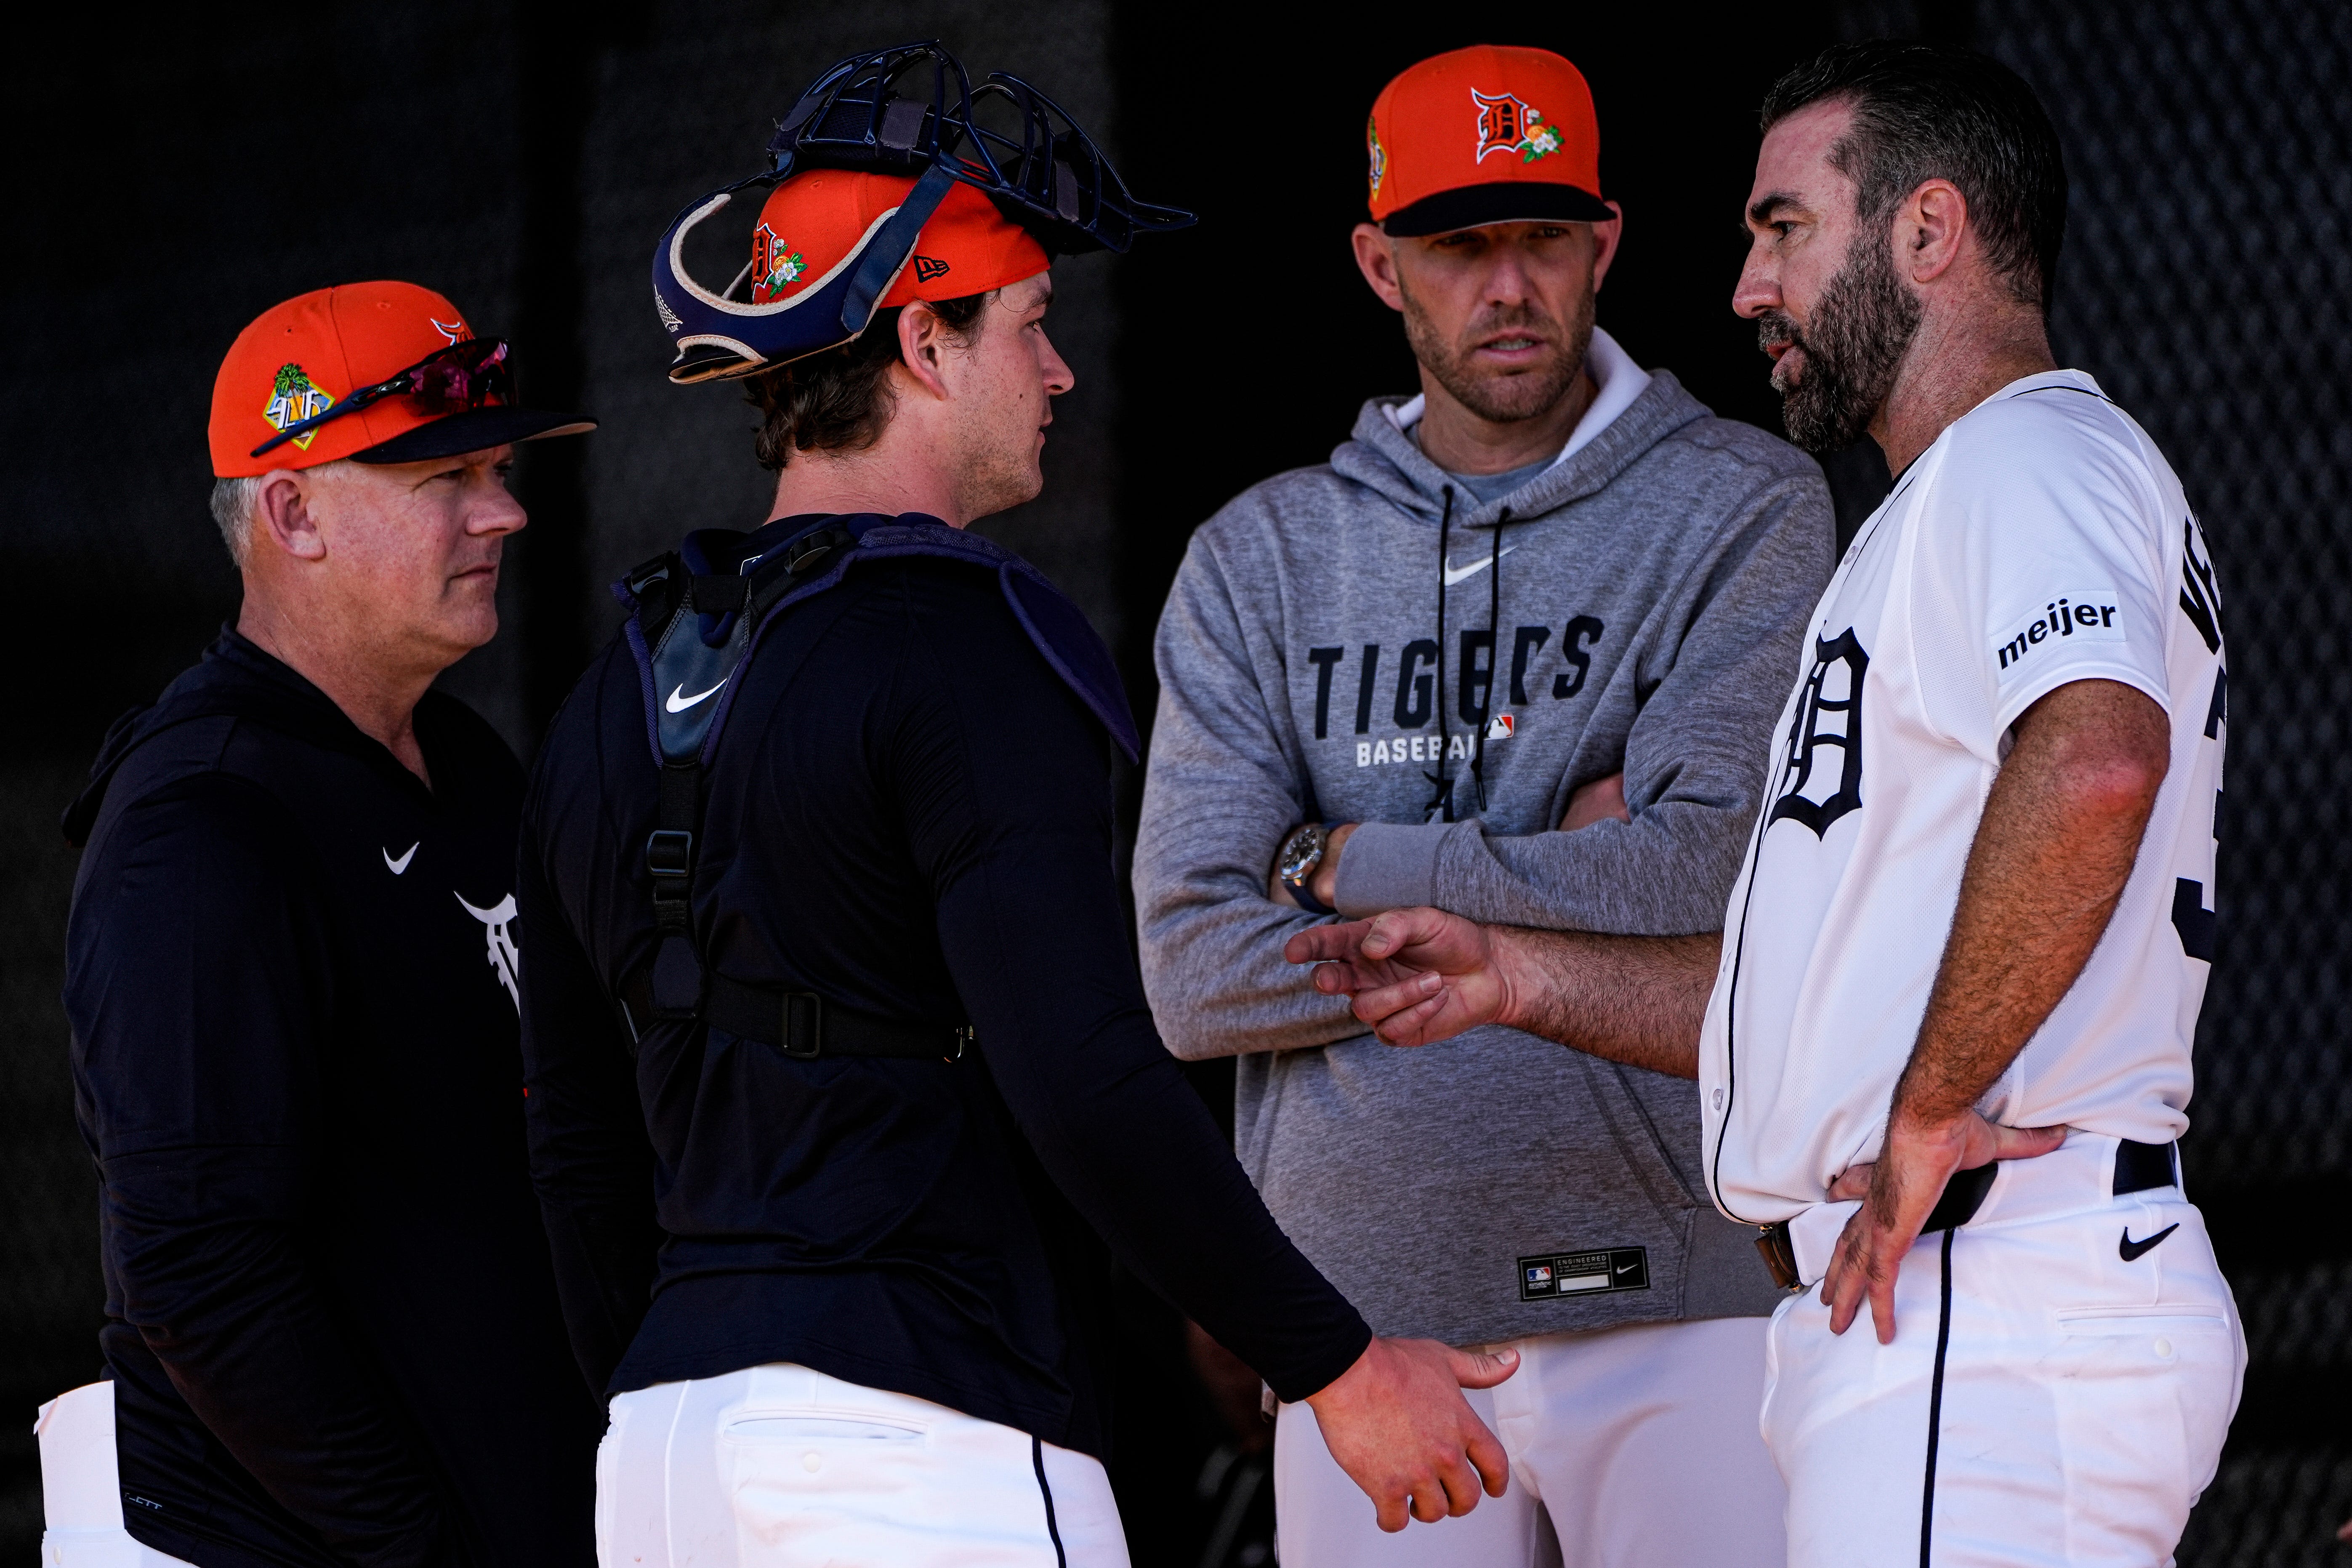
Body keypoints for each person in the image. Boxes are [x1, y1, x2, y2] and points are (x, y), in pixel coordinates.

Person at [516, 45, 1512, 1568]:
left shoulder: (607, 695)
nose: (1058, 372)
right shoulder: (966, 639)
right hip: (916, 1438)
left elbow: (575, 1142)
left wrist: (672, 1399)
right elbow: (1084, 1076)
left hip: (664, 1456)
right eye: (1031, 326)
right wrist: (1334, 1364)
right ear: (924, 340)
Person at [1288, 40, 2243, 1568]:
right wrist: (1514, 975)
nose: (1745, 284)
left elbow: (2096, 758)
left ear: (1926, 232)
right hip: (1954, 1313)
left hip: (1987, 1295)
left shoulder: (2020, 455)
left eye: (1782, 227)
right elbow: (1806, 998)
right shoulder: (1954, 502)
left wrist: (1926, 1110)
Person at [1132, 43, 1835, 1568]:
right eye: (1460, 246)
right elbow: (1191, 968)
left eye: (1542, 237)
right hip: (1370, 1330)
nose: (1507, 286)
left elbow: (1712, 874)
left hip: (1685, 1291)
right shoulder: (1259, 560)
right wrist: (1571, 853)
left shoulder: (1743, 505)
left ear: (1609, 242)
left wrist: (1336, 862)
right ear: (1380, 266)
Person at [49, 281, 601, 1568]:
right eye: (444, 475)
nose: (506, 511)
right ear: (292, 510)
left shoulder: (464, 766)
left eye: (502, 469)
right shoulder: (203, 820)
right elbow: (199, 1273)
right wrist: (421, 1552)